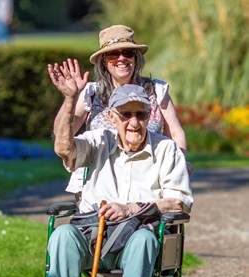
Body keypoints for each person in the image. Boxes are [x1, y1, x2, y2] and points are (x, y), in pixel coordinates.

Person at [45, 79, 193, 277]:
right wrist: (69, 100)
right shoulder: (98, 140)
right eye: (126, 114)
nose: (134, 122)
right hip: (94, 235)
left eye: (141, 114)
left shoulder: (165, 150)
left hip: (136, 239)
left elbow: (180, 202)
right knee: (63, 234)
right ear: (111, 117)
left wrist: (134, 208)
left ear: (150, 116)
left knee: (145, 240)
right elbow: (64, 149)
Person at [48, 24, 191, 198]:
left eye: (128, 53)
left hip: (146, 180)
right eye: (113, 54)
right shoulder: (92, 93)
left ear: (136, 58)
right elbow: (61, 136)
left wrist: (179, 162)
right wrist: (71, 98)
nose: (122, 58)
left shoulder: (155, 90)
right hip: (99, 181)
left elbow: (176, 133)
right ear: (103, 61)